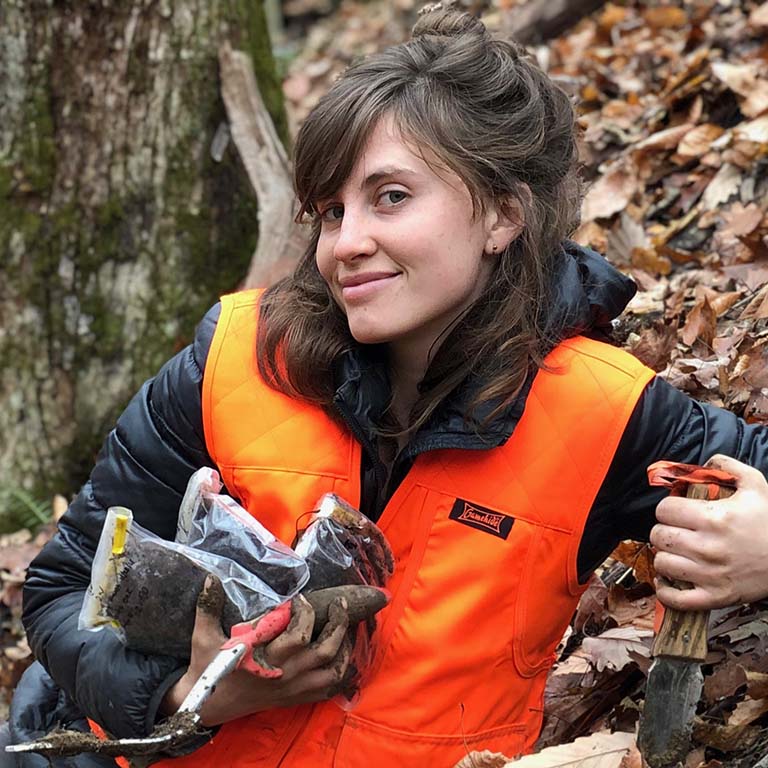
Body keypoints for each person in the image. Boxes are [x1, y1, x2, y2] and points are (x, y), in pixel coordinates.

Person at [9, 4, 768, 767]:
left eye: (391, 197)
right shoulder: (234, 359)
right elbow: (61, 587)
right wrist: (188, 694)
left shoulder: (603, 415)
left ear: (503, 213)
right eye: (332, 210)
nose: (347, 243)